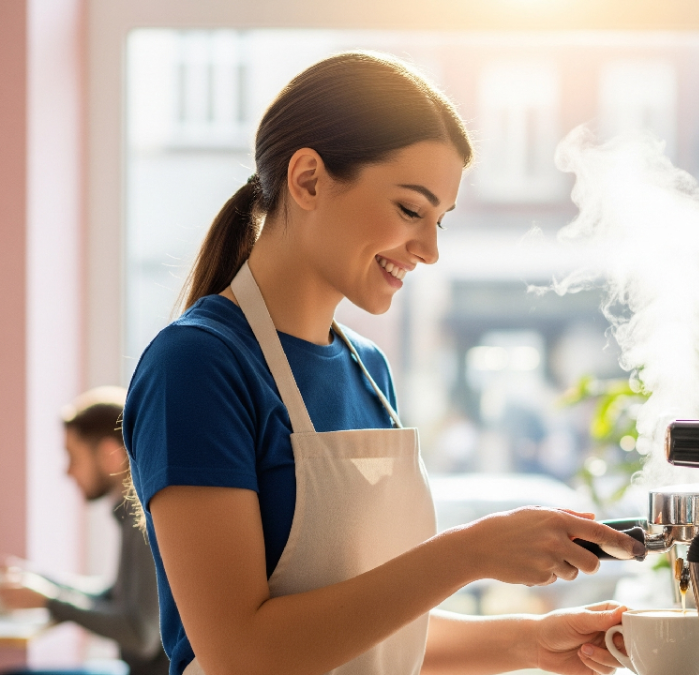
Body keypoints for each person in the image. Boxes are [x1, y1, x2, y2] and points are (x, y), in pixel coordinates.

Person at [121, 51, 645, 675]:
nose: (428, 250)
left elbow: (366, 630)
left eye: (440, 221)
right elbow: (243, 652)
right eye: (409, 210)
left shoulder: (367, 368)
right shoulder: (197, 366)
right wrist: (471, 553)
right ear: (309, 179)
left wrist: (529, 641)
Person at [1, 387, 169, 675]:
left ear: (109, 455)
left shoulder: (144, 519)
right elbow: (115, 596)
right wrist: (43, 583)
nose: (68, 472)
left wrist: (48, 601)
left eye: (73, 457)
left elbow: (141, 636)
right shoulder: (131, 514)